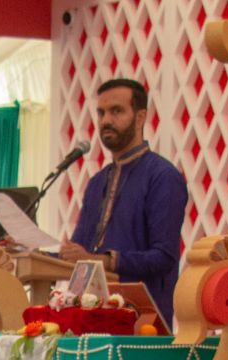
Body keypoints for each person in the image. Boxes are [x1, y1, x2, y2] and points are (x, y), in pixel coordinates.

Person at [61, 77, 190, 324]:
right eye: (101, 113)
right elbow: (78, 252)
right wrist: (29, 249)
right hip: (90, 319)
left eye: (116, 111)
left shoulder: (163, 177)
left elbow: (164, 256)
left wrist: (107, 260)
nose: (106, 120)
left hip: (143, 323)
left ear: (140, 117)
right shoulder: (97, 183)